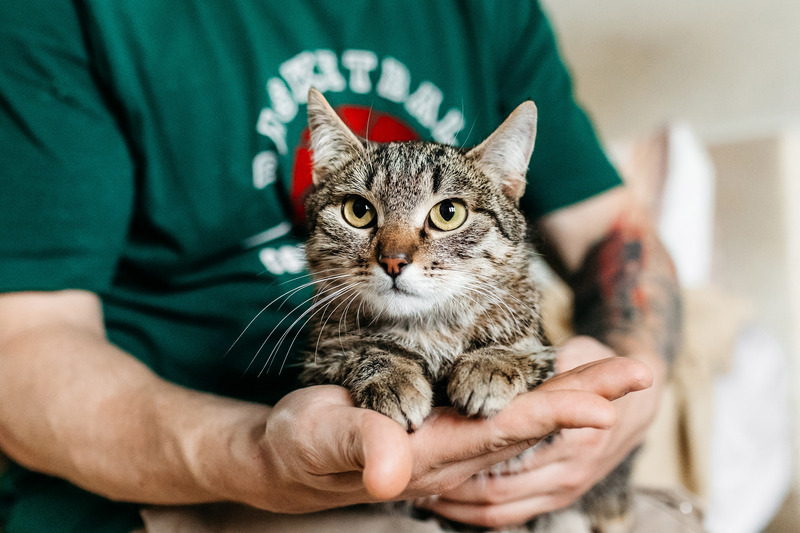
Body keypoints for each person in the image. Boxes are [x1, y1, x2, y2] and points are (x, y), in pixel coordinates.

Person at [0, 1, 679, 531]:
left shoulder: (486, 8)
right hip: (184, 480)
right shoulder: (63, 13)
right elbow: (19, 347)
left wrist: (624, 395)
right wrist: (257, 456)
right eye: (360, 213)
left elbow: (614, 234)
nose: (396, 253)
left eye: (441, 217)